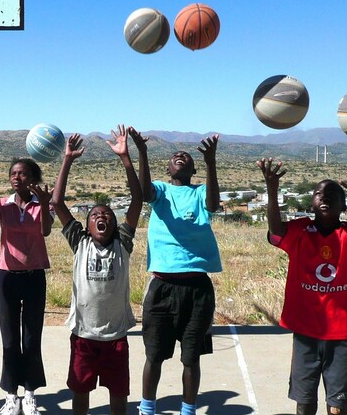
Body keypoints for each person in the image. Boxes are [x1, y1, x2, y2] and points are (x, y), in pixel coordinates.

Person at [258, 159, 347, 415]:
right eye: (318, 193)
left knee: (337, 406)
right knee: (305, 402)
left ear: (343, 205)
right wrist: (272, 188)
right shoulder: (300, 230)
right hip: (305, 331)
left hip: (340, 333)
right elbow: (275, 230)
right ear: (311, 201)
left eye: (333, 194)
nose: (324, 197)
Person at [49, 126, 143, 415]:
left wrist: (126, 158)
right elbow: (56, 202)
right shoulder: (80, 243)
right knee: (80, 392)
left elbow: (137, 201)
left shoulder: (122, 243)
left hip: (116, 337)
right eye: (94, 216)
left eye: (106, 215)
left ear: (114, 225)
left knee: (118, 395)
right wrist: (67, 160)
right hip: (84, 337)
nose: (100, 217)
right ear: (87, 226)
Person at [130, 127, 221, 415]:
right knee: (154, 355)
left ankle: (188, 409)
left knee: (191, 357)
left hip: (198, 289)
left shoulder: (201, 192)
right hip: (162, 287)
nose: (180, 156)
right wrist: (142, 152)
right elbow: (143, 192)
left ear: (193, 168)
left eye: (185, 157)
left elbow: (214, 204)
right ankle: (147, 408)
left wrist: (210, 162)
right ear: (168, 169)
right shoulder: (161, 191)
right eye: (174, 156)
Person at [0, 157, 54, 415]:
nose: (17, 177)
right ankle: (11, 395)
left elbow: (47, 231)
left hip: (34, 276)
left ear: (33, 179)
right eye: (14, 173)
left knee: (31, 337)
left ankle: (29, 394)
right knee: (9, 339)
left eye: (23, 174)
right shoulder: (2, 204)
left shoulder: (43, 205)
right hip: (7, 276)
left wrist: (43, 202)